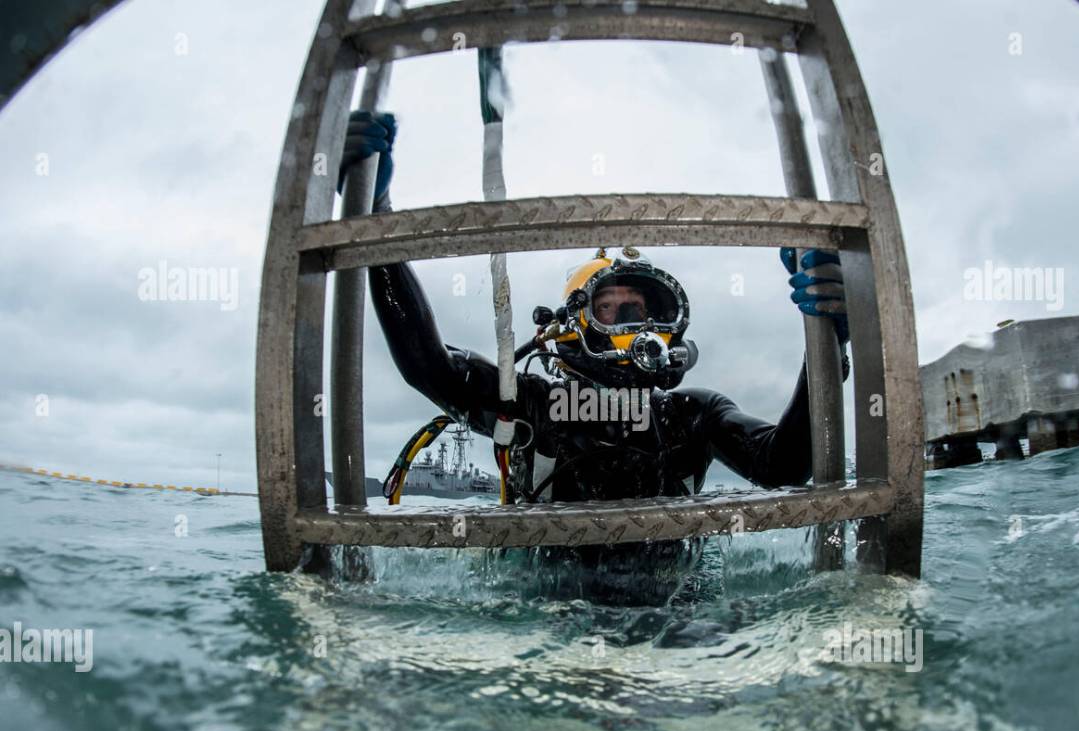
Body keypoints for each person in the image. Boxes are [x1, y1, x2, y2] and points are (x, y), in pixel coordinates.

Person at [342, 111, 851, 604]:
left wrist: (826, 344)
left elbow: (784, 466)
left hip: (675, 615)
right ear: (575, 324)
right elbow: (428, 366)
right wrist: (378, 219)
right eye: (609, 310)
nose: (630, 323)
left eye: (640, 310)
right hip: (550, 617)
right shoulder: (531, 405)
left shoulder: (690, 415)